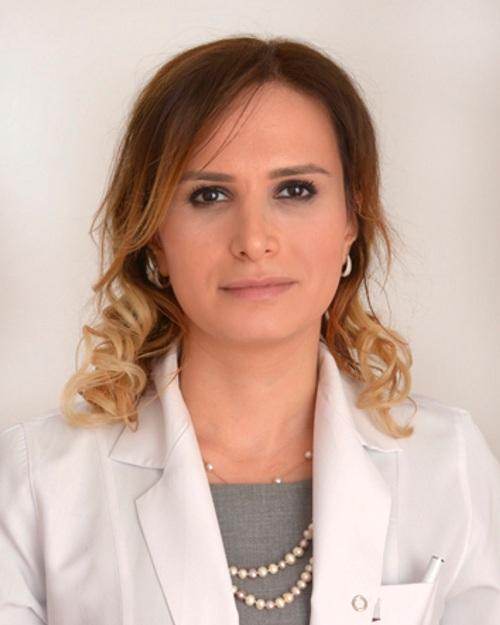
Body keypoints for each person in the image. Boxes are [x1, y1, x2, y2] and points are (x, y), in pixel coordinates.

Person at [0, 35, 499, 625]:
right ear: (155, 236)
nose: (254, 240)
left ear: (352, 219)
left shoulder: (446, 461)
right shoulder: (37, 481)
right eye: (209, 195)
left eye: (295, 190)